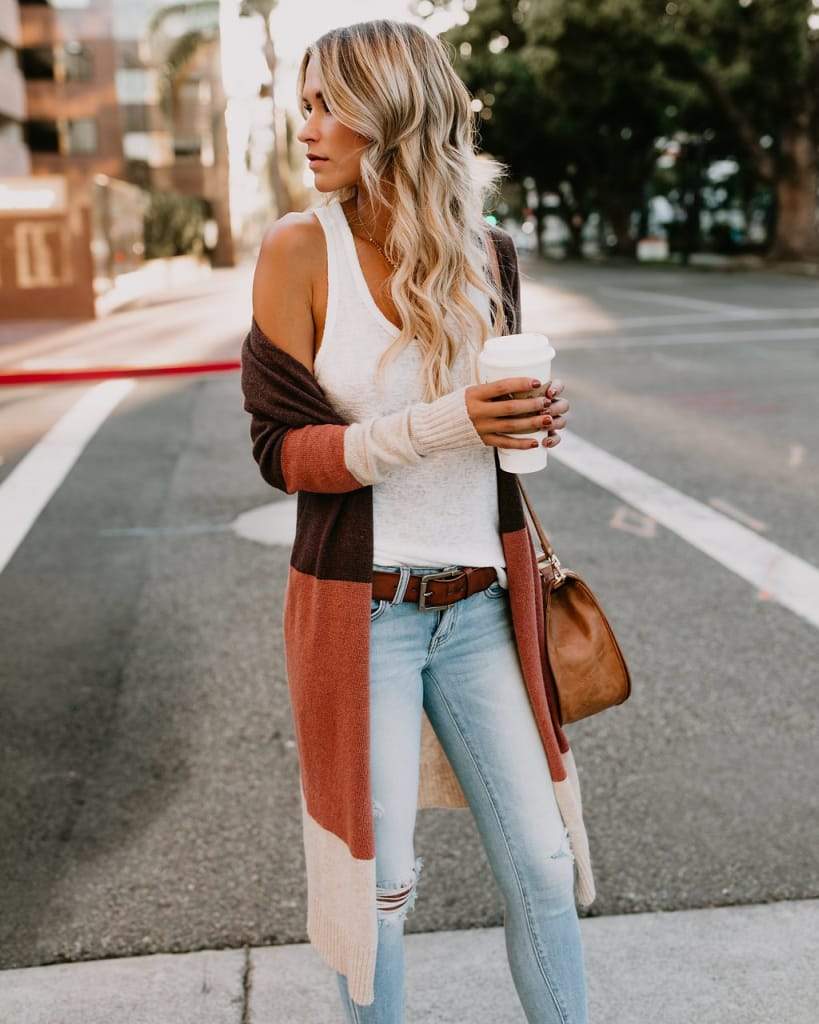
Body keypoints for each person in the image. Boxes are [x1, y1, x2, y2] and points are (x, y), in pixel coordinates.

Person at [247, 19, 588, 1024]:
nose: (306, 128)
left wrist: (526, 423)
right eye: (302, 104)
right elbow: (283, 453)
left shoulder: (490, 254)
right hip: (367, 617)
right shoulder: (299, 252)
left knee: (543, 857)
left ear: (394, 115)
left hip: (483, 603)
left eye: (329, 106)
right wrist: (447, 422)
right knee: (380, 886)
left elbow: (489, 428)